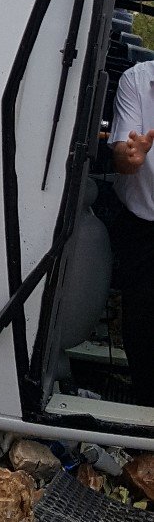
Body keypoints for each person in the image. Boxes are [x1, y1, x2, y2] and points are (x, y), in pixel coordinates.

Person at [109, 59, 154, 406]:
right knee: (142, 325)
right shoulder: (137, 81)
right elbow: (123, 156)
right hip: (144, 226)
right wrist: (131, 156)